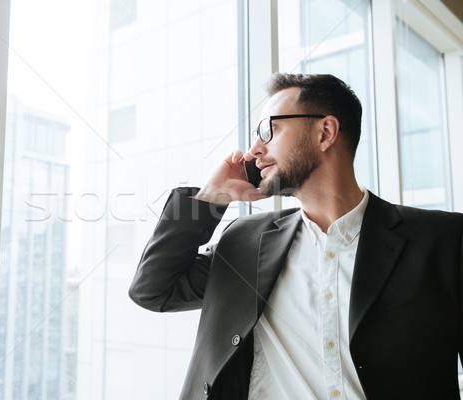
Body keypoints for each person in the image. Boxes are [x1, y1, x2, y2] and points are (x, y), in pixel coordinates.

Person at [128, 73, 463, 400]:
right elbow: (154, 291)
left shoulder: (445, 239)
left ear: (326, 132)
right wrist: (209, 199)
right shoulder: (245, 242)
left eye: (268, 130)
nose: (252, 151)